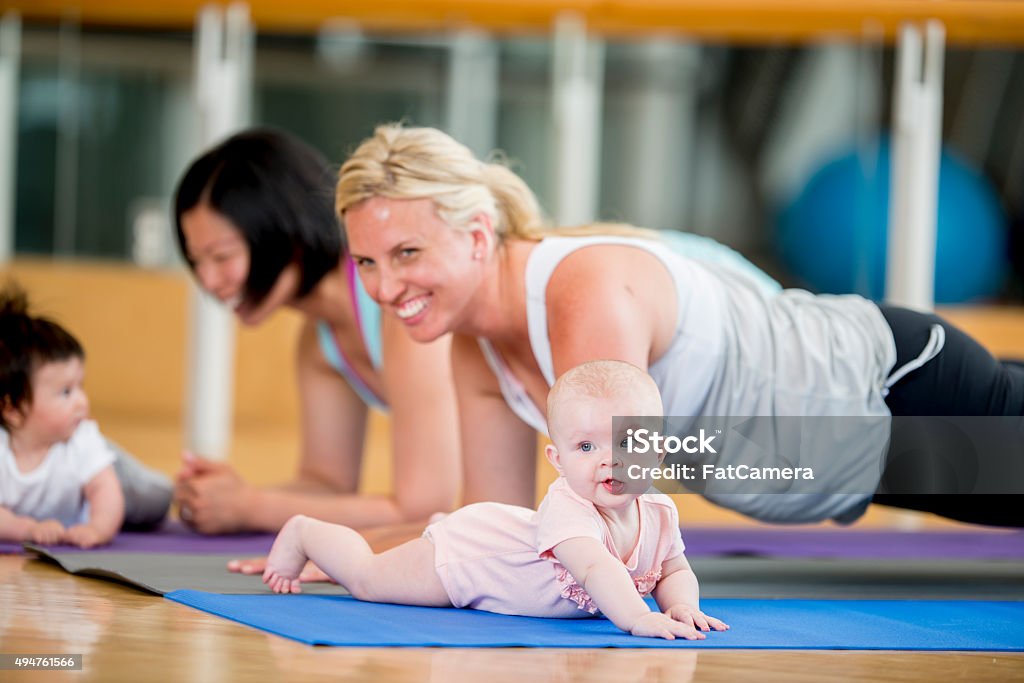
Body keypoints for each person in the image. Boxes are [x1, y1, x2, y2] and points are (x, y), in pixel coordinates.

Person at [334, 123, 1024, 528]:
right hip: (850, 462)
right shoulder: (476, 351)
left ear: (478, 235)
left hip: (895, 387)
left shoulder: (584, 291)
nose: (386, 288)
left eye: (407, 253)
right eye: (366, 261)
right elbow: (496, 530)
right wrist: (336, 554)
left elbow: (614, 519)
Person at [263, 360, 730, 641]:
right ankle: (306, 531)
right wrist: (635, 620)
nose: (609, 461)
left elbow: (673, 569)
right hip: (468, 556)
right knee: (368, 579)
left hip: (501, 537)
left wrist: (681, 604)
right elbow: (596, 569)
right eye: (586, 448)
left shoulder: (660, 512)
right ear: (558, 459)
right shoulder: (569, 506)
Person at [172, 129, 460, 547]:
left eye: (222, 257)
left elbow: (423, 508)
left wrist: (251, 506)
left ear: (285, 233)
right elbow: (326, 483)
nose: (208, 281)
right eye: (197, 261)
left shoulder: (402, 308)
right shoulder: (319, 342)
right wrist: (223, 497)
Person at [0, 282, 170, 547]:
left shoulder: (81, 440)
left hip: (116, 484)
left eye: (81, 386)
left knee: (155, 501)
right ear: (12, 409)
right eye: (66, 392)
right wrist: (27, 529)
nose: (82, 401)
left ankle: (172, 487)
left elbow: (106, 490)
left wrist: (98, 528)